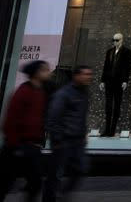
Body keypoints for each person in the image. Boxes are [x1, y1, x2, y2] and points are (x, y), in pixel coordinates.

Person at [0, 60, 50, 202]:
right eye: (44, 70)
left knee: (35, 183)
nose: (48, 73)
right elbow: (10, 120)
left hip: (32, 146)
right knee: (5, 183)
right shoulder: (23, 92)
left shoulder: (40, 92)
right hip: (18, 146)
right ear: (36, 73)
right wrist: (14, 144)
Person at [43, 65, 93, 202]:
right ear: (76, 76)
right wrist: (57, 139)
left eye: (89, 75)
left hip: (77, 140)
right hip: (64, 140)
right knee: (55, 174)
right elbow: (53, 117)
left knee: (81, 169)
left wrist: (83, 133)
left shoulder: (84, 93)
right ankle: (50, 198)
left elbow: (81, 116)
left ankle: (62, 195)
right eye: (85, 74)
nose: (88, 77)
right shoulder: (64, 94)